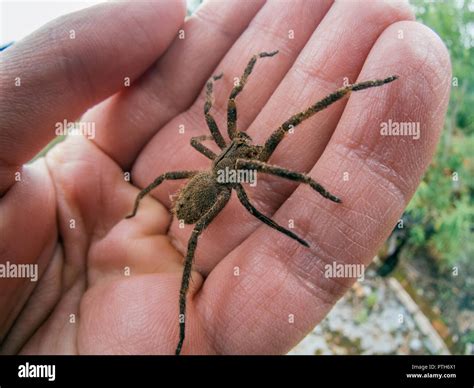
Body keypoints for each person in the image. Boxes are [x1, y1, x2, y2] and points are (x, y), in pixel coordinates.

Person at [0, 0, 451, 354]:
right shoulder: (242, 164)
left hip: (208, 178)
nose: (247, 146)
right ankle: (179, 329)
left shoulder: (226, 149)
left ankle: (365, 88)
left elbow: (253, 121)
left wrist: (315, 181)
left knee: (296, 116)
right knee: (195, 232)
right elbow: (256, 148)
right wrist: (313, 190)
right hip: (207, 192)